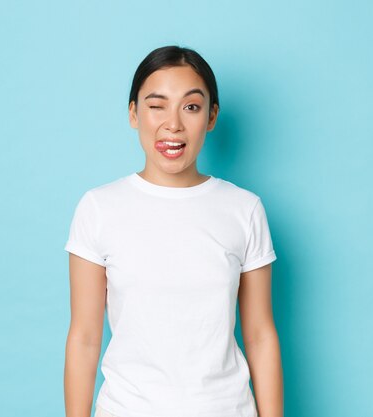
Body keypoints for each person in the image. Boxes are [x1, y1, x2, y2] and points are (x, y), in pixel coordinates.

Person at [64, 45, 284, 417]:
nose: (173, 124)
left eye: (191, 106)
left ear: (212, 117)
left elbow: (261, 335)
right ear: (134, 113)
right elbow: (84, 338)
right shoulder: (99, 208)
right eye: (157, 105)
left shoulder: (244, 209)